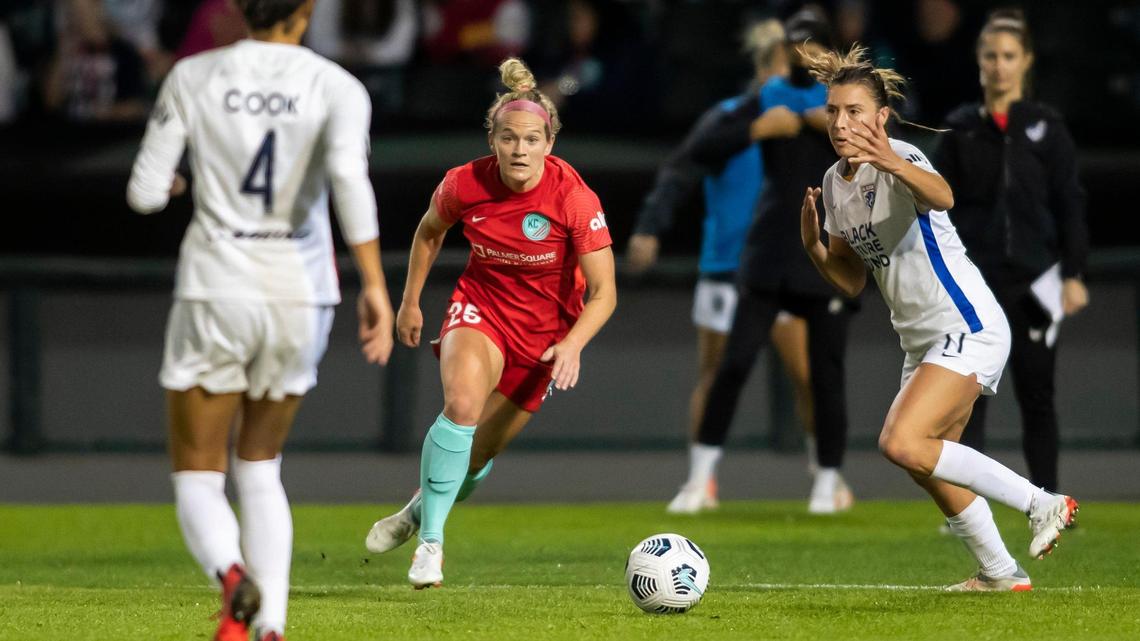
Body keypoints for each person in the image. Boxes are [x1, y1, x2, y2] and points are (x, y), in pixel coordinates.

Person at [126, 0, 396, 638]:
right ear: (305, 13)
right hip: (300, 292)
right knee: (261, 467)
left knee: (198, 473)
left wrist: (170, 189)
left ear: (243, 10)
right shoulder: (337, 85)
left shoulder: (194, 75)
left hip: (216, 285)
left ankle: (229, 575)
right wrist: (376, 285)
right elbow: (349, 179)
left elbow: (142, 192)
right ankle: (269, 624)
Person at [799, 44, 1078, 591]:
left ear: (880, 117)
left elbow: (944, 197)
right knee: (925, 461)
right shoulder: (835, 184)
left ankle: (1042, 502)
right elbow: (853, 279)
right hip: (921, 342)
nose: (840, 122)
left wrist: (892, 161)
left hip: (967, 325)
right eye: (833, 111)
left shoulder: (903, 157)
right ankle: (1001, 572)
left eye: (854, 110)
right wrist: (814, 247)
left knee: (900, 442)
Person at [364, 57, 617, 589]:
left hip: (546, 338)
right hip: (481, 309)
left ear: (549, 144)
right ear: (493, 139)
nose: (519, 150)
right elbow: (429, 232)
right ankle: (431, 544)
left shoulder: (573, 197)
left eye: (530, 140)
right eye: (508, 138)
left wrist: (572, 345)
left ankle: (415, 513)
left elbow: (604, 293)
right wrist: (410, 302)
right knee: (461, 406)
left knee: (477, 454)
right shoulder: (464, 183)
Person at [664, 9, 858, 515]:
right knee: (733, 365)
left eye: (817, 45)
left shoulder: (853, 105)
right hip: (770, 252)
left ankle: (827, 480)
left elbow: (895, 151)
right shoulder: (767, 99)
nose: (807, 56)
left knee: (825, 374)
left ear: (834, 51)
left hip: (830, 254)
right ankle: (699, 480)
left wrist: (839, 128)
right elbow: (701, 147)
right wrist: (755, 130)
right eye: (799, 46)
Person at [626, 19, 819, 513]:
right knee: (714, 372)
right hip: (725, 264)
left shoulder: (815, 116)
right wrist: (650, 225)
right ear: (764, 67)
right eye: (784, 63)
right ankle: (701, 482)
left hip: (785, 265)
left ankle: (825, 475)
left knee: (806, 373)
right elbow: (682, 169)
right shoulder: (729, 118)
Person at [935, 9, 1088, 492]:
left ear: (1026, 62)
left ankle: (1049, 498)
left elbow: (1070, 204)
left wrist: (1075, 274)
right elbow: (937, 208)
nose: (999, 65)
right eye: (990, 56)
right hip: (975, 283)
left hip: (1034, 283)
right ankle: (967, 503)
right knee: (967, 395)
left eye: (1008, 56)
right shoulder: (958, 128)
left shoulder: (1047, 126)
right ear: (978, 61)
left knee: (1037, 392)